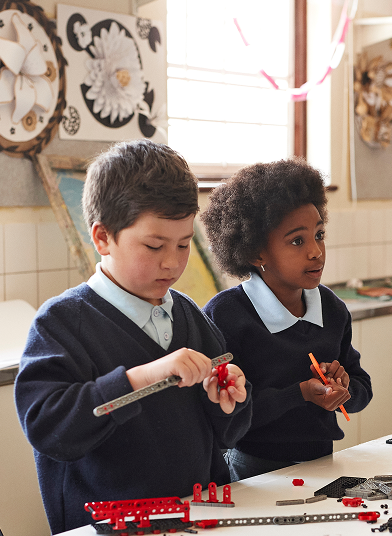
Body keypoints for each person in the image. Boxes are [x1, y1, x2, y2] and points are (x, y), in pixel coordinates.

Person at [14, 140, 252, 534]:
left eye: (183, 243)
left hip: (199, 519)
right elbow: (48, 428)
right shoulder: (61, 323)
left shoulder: (190, 314)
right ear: (103, 237)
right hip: (106, 527)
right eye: (154, 245)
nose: (172, 262)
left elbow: (227, 433)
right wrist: (142, 379)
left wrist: (229, 403)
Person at [201, 158, 373, 481]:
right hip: (253, 474)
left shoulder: (333, 310)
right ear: (256, 253)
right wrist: (302, 393)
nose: (316, 252)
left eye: (319, 235)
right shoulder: (225, 316)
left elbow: (363, 388)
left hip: (324, 467)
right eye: (298, 241)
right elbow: (228, 415)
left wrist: (344, 387)